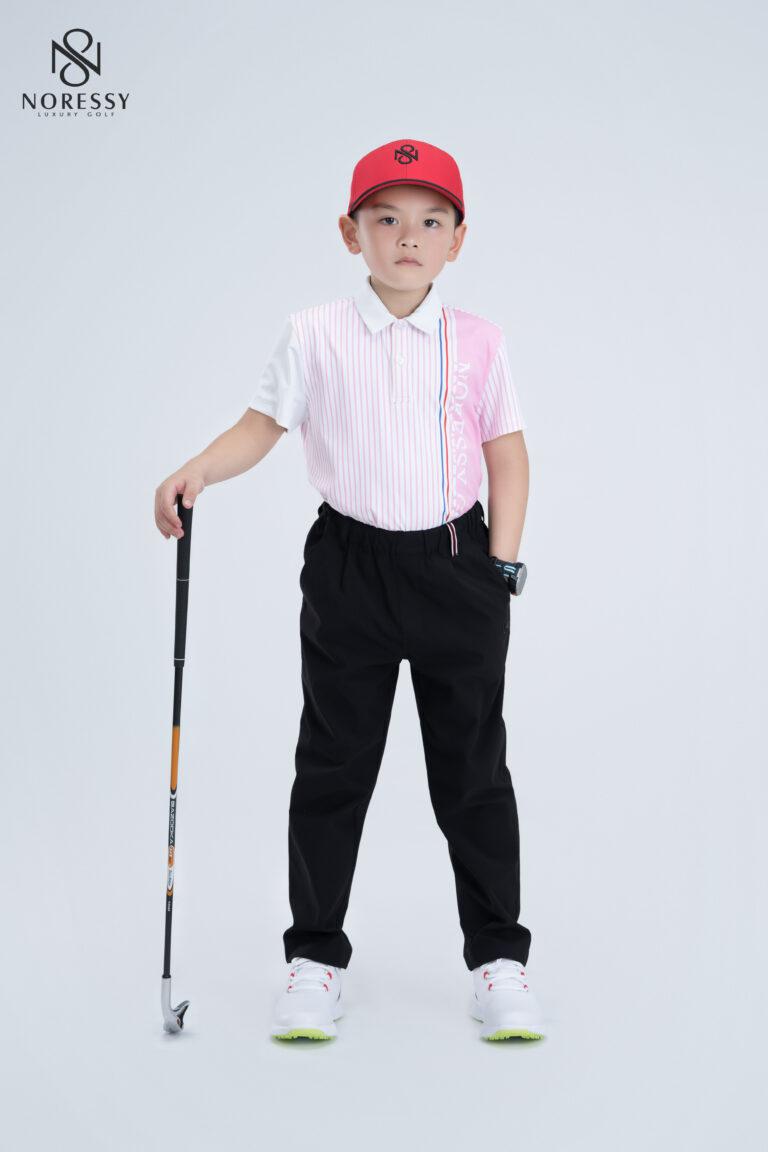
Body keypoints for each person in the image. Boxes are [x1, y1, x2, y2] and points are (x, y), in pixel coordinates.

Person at [154, 138, 546, 1042]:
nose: (409, 237)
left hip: (459, 567)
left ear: (457, 239)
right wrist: (198, 469)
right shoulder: (314, 334)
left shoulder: (480, 341)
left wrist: (502, 567)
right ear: (350, 232)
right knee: (333, 766)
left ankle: (498, 961)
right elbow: (262, 426)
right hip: (349, 570)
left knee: (473, 770)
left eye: (431, 222)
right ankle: (315, 960)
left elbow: (508, 453)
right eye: (387, 219)